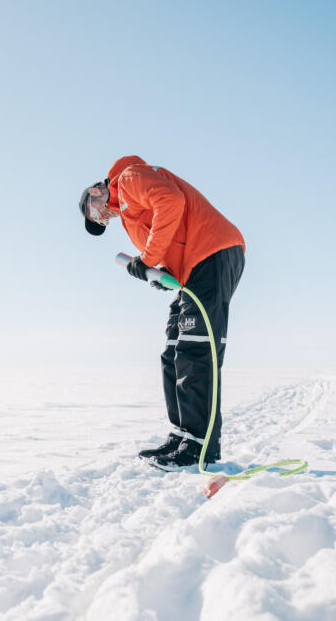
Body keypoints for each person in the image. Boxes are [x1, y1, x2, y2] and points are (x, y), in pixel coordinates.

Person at [79, 155, 245, 469]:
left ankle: (200, 445)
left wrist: (146, 260)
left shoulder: (127, 179)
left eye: (94, 212)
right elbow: (168, 238)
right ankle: (182, 434)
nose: (101, 218)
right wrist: (161, 272)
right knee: (172, 353)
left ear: (95, 191)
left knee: (195, 351)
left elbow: (171, 201)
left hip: (213, 252)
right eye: (97, 221)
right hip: (193, 270)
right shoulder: (127, 212)